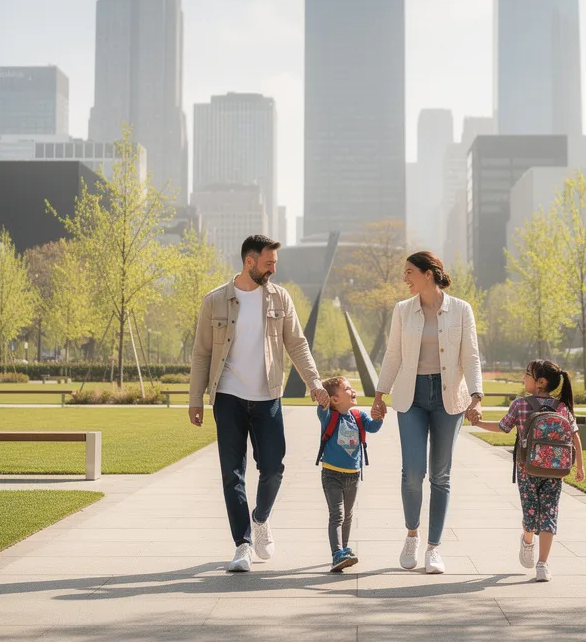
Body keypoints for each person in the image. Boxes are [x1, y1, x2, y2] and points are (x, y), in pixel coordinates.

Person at [189, 235, 329, 573]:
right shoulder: (215, 301)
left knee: (273, 468)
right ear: (250, 261)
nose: (273, 269)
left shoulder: (279, 298)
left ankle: (260, 518)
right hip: (228, 397)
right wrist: (195, 399)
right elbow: (202, 353)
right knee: (231, 474)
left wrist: (314, 381)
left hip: (267, 397)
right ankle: (242, 544)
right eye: (269, 263)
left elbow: (296, 343)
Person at [371, 251, 483, 575]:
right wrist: (379, 395)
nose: (405, 278)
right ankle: (412, 534)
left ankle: (434, 548)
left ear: (428, 274)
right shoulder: (402, 311)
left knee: (440, 476)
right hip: (412, 397)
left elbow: (471, 357)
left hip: (450, 398)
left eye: (409, 272)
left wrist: (476, 396)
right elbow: (393, 355)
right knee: (412, 473)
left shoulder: (461, 310)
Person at [469, 359, 585, 582]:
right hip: (555, 470)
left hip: (527, 470)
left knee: (530, 512)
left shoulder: (520, 404)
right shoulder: (561, 407)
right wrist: (579, 465)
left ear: (540, 382)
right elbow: (574, 435)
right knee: (550, 514)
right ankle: (543, 564)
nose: (523, 377)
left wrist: (478, 424)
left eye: (527, 374)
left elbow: (502, 428)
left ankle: (528, 540)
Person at [316, 375, 383, 572]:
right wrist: (322, 397)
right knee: (336, 515)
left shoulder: (358, 416)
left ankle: (343, 550)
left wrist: (378, 417)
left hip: (354, 475)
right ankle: (337, 553)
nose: (352, 390)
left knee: (347, 515)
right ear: (334, 399)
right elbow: (322, 408)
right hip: (332, 474)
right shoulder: (328, 416)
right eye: (347, 388)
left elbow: (373, 427)